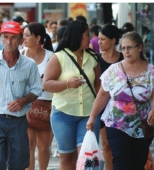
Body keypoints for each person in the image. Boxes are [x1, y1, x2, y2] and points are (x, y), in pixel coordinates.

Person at [0, 21, 42, 169]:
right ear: (1, 39)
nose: (9, 41)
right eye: (5, 37)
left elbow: (37, 89)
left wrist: (24, 101)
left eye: (13, 37)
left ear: (21, 40)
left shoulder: (29, 64)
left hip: (18, 121)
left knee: (17, 164)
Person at [86, 31, 154, 170]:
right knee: (121, 160)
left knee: (138, 162)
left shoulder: (151, 71)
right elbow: (103, 95)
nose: (126, 51)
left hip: (143, 125)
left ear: (140, 47)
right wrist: (93, 116)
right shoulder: (113, 71)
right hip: (116, 124)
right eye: (123, 48)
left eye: (130, 47)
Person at [42, 20, 101, 170]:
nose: (90, 38)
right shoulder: (59, 57)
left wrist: (98, 110)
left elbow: (98, 86)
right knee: (67, 157)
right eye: (86, 35)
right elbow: (46, 84)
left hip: (89, 114)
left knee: (88, 156)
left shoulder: (92, 57)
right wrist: (67, 83)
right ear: (77, 36)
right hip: (63, 114)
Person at [22, 22, 54, 170]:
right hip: (26, 104)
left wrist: (38, 82)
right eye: (24, 35)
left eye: (27, 35)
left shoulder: (51, 57)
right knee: (28, 144)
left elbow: (52, 82)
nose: (24, 38)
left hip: (46, 104)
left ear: (38, 38)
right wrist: (41, 81)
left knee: (43, 147)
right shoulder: (21, 55)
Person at [97, 24, 124, 170]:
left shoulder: (123, 58)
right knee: (106, 144)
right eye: (99, 39)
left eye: (103, 39)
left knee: (122, 144)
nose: (99, 42)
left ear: (113, 40)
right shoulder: (96, 59)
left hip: (122, 107)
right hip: (102, 106)